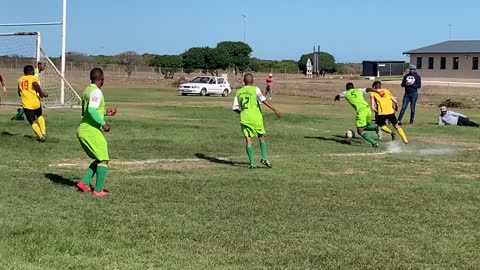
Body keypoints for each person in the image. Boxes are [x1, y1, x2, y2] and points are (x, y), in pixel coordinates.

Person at [76, 68, 117, 197]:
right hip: (90, 131)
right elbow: (92, 111)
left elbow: (86, 112)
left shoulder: (87, 90)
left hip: (84, 129)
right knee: (104, 159)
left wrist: (105, 113)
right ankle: (98, 190)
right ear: (102, 79)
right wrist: (104, 124)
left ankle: (84, 183)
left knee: (99, 158)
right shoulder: (96, 92)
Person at [233, 73, 281, 168]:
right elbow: (263, 100)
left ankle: (252, 163)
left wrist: (243, 113)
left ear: (244, 81)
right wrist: (274, 109)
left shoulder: (239, 92)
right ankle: (264, 158)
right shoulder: (255, 89)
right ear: (253, 81)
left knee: (248, 140)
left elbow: (235, 107)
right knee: (261, 137)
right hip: (255, 118)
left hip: (244, 119)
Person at [334, 82, 382, 147]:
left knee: (360, 130)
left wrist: (336, 98)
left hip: (361, 111)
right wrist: (377, 92)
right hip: (368, 109)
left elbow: (338, 95)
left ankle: (374, 143)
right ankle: (376, 128)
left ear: (347, 88)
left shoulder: (346, 93)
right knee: (365, 126)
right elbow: (368, 89)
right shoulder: (359, 90)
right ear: (353, 87)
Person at [17, 65, 48, 141]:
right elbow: (35, 84)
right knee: (40, 115)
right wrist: (41, 93)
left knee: (32, 121)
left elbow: (19, 92)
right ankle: (43, 132)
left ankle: (41, 136)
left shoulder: (20, 80)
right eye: (33, 71)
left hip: (27, 104)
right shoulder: (33, 77)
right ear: (31, 72)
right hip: (35, 102)